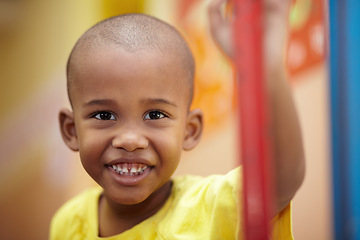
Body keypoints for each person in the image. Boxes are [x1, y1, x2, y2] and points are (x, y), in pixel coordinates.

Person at [50, 0, 305, 239]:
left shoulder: (210, 208)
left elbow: (278, 178)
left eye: (155, 114)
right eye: (104, 115)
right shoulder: (67, 222)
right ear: (71, 130)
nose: (129, 140)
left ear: (189, 130)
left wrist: (268, 67)